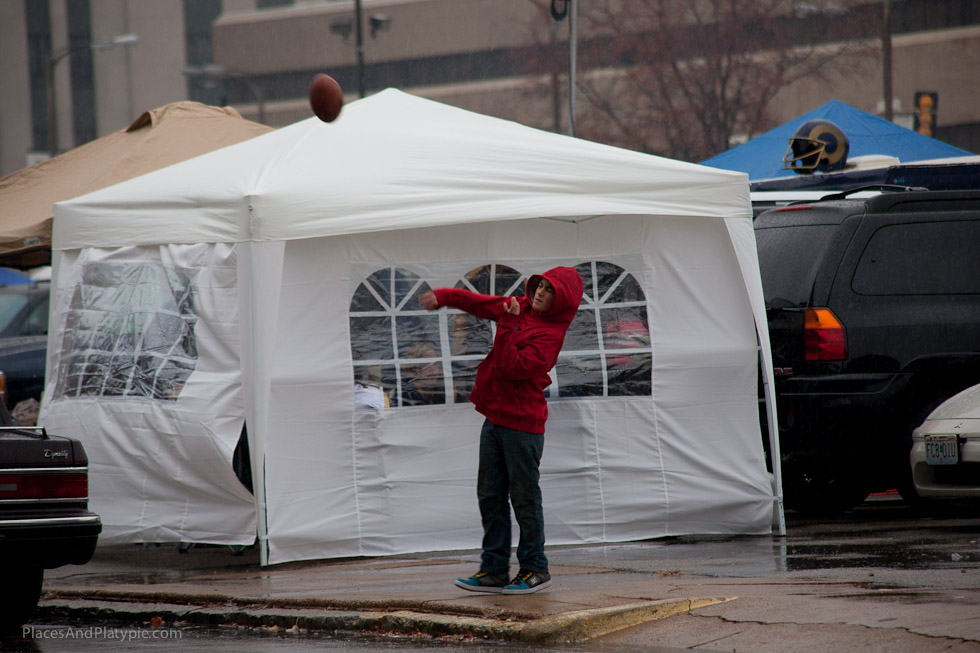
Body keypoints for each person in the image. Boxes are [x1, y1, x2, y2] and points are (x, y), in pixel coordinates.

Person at [419, 266, 583, 595]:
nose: (540, 292)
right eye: (541, 285)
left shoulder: (550, 335)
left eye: (550, 290)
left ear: (562, 300)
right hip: (495, 419)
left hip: (523, 426)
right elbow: (480, 303)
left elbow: (512, 368)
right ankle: (494, 571)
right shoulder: (521, 306)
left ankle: (535, 569)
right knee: (490, 495)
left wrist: (507, 323)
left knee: (524, 499)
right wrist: (445, 296)